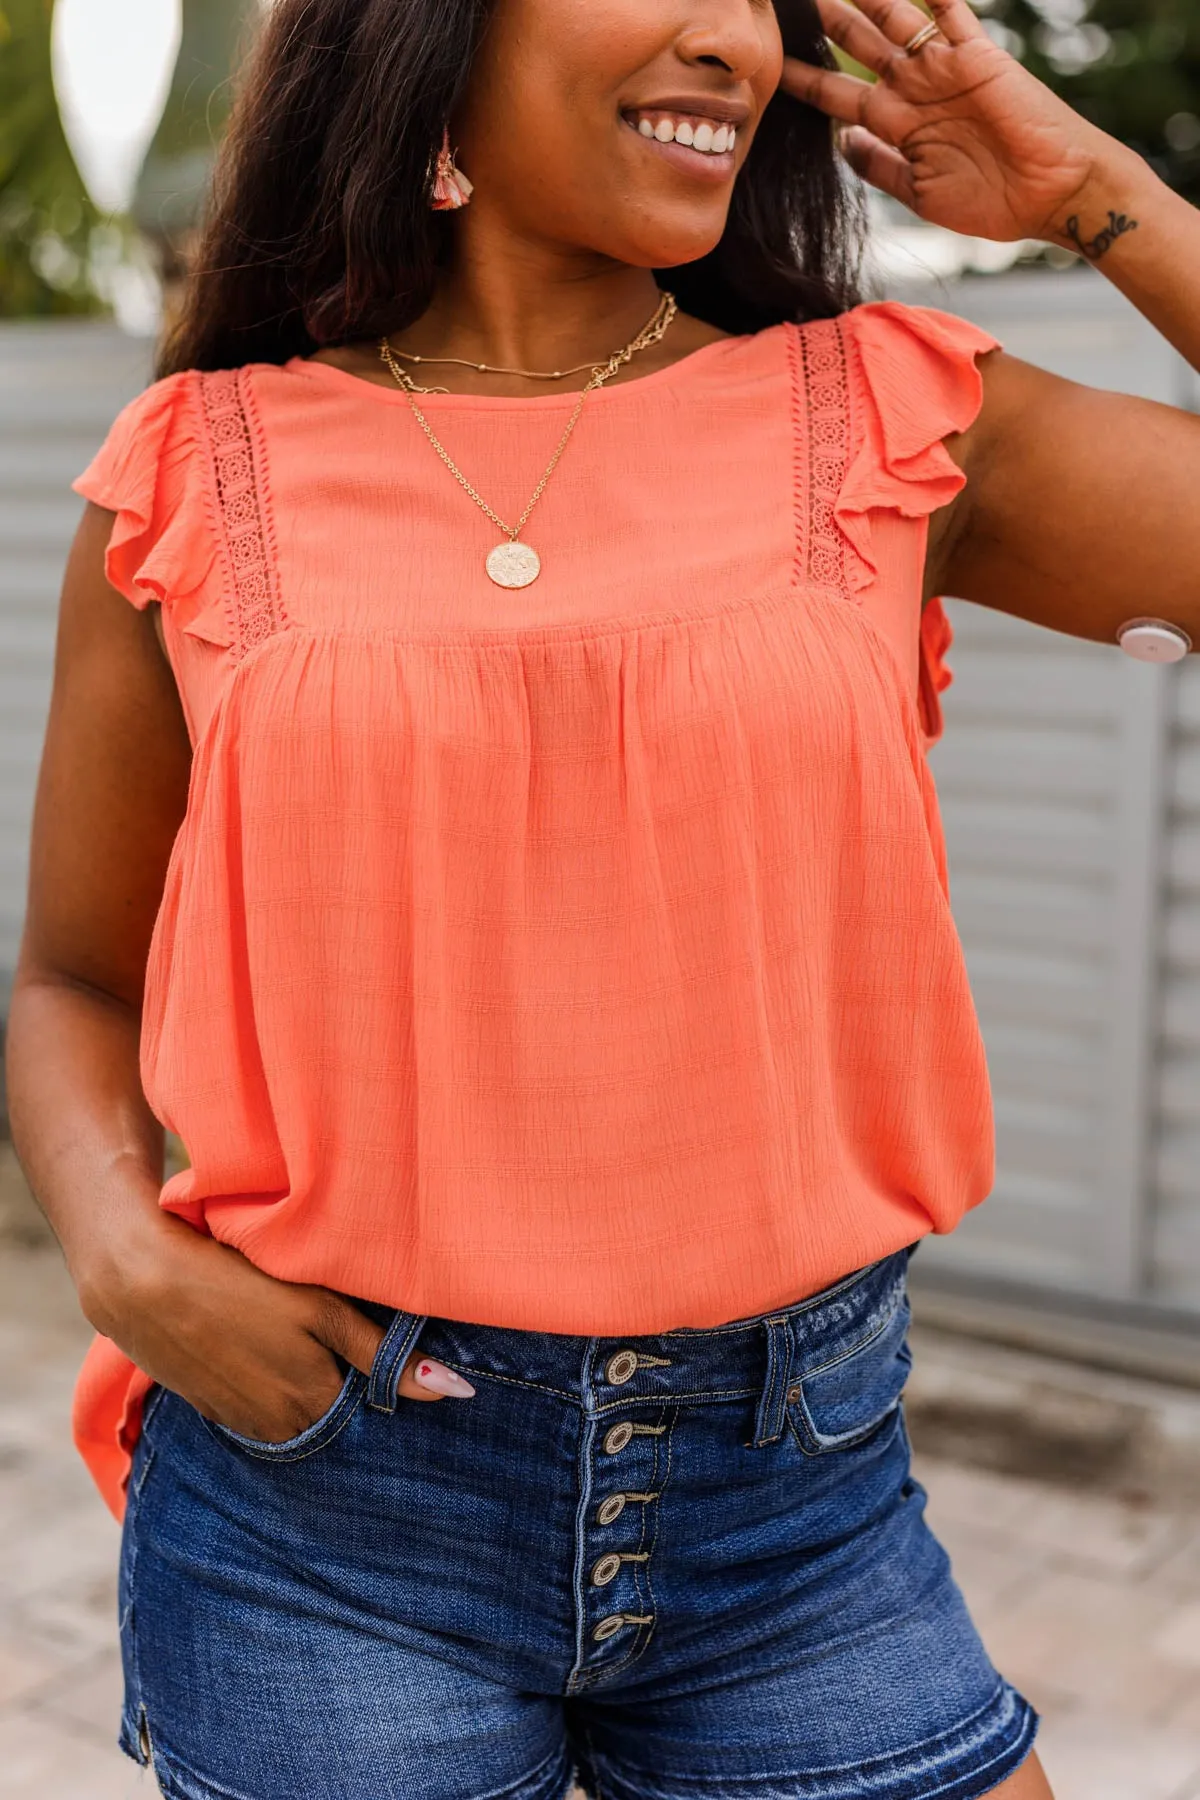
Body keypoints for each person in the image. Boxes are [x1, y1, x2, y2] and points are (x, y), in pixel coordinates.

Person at [7, 0, 1200, 1791]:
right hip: (328, 1511)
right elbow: (75, 978)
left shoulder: (883, 413)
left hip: (800, 1515)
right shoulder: (199, 469)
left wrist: (1100, 191)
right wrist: (116, 1255)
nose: (729, 31)